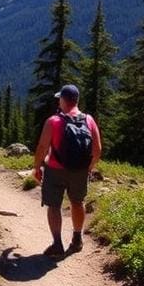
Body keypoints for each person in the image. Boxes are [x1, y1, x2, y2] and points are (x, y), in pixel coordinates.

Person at [32, 84, 102, 256]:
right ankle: (77, 239)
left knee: (54, 205)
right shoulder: (89, 120)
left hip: (55, 170)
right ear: (76, 100)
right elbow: (97, 150)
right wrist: (88, 168)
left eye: (59, 99)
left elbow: (42, 147)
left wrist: (37, 167)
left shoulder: (53, 121)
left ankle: (57, 244)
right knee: (77, 202)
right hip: (80, 171)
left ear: (63, 100)